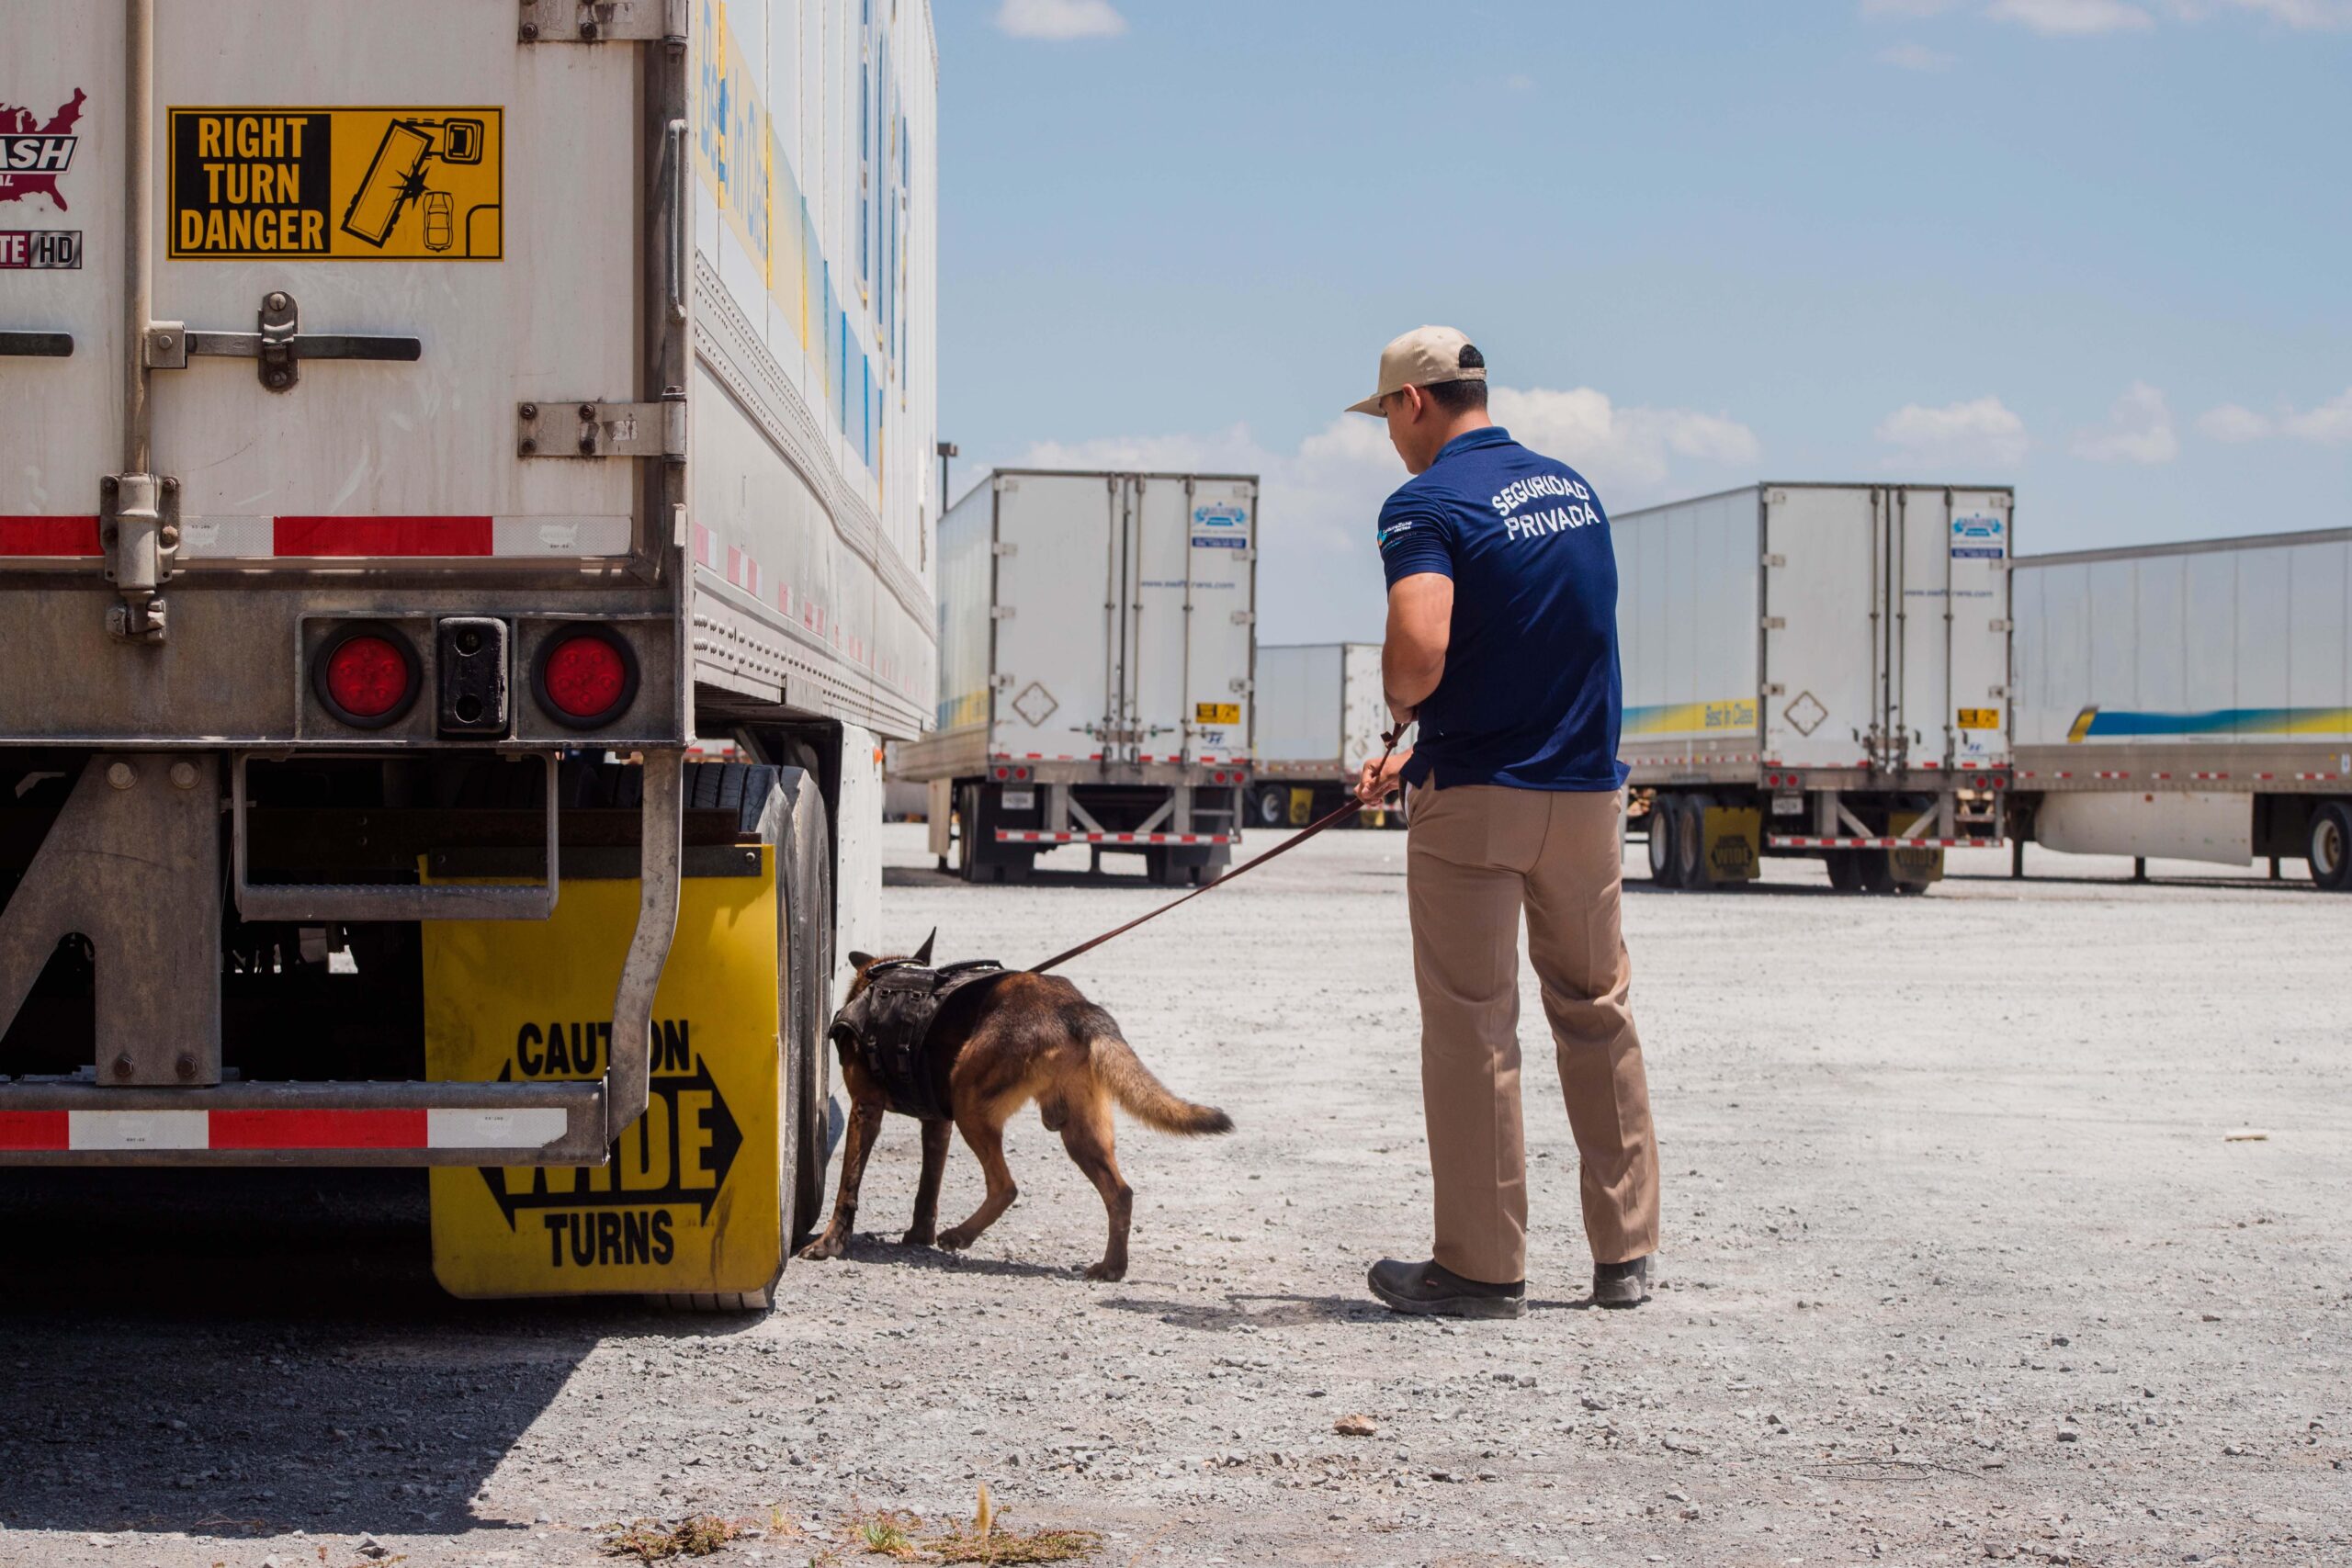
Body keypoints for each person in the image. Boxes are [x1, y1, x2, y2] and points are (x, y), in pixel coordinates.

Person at [1348, 325, 1659, 1319]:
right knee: (1594, 1011)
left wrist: (1404, 713)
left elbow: (1423, 643)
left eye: (1387, 420)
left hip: (1477, 803)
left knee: (1476, 1027)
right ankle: (1624, 1256)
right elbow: (1553, 644)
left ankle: (1482, 1269)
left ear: (1412, 404)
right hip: (1584, 799)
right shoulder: (1574, 492)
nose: (1391, 441)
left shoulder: (1424, 501)